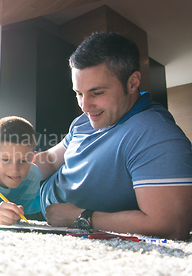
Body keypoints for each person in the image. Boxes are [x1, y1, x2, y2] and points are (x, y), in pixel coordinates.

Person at [34, 32, 192, 240]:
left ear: (133, 82)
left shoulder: (156, 135)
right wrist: (8, 171)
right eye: (79, 93)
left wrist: (78, 218)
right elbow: (53, 159)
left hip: (45, 218)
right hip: (25, 197)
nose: (84, 106)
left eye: (97, 93)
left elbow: (170, 225)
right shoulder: (85, 120)